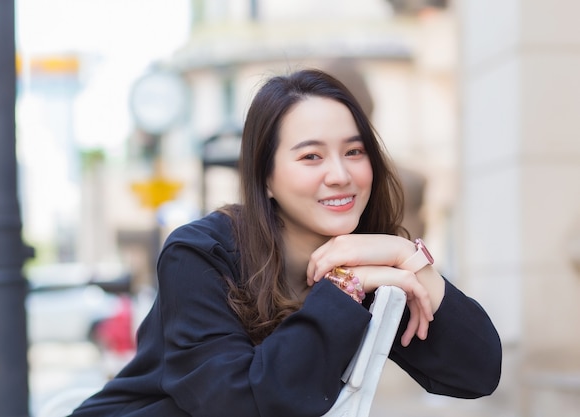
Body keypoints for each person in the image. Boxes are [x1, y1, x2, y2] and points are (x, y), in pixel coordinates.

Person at [70, 69, 502, 417]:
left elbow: (477, 372)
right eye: (311, 156)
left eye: (354, 152)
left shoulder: (368, 259)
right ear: (266, 178)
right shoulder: (199, 254)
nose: (340, 174)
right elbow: (240, 405)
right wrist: (343, 289)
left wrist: (406, 256)